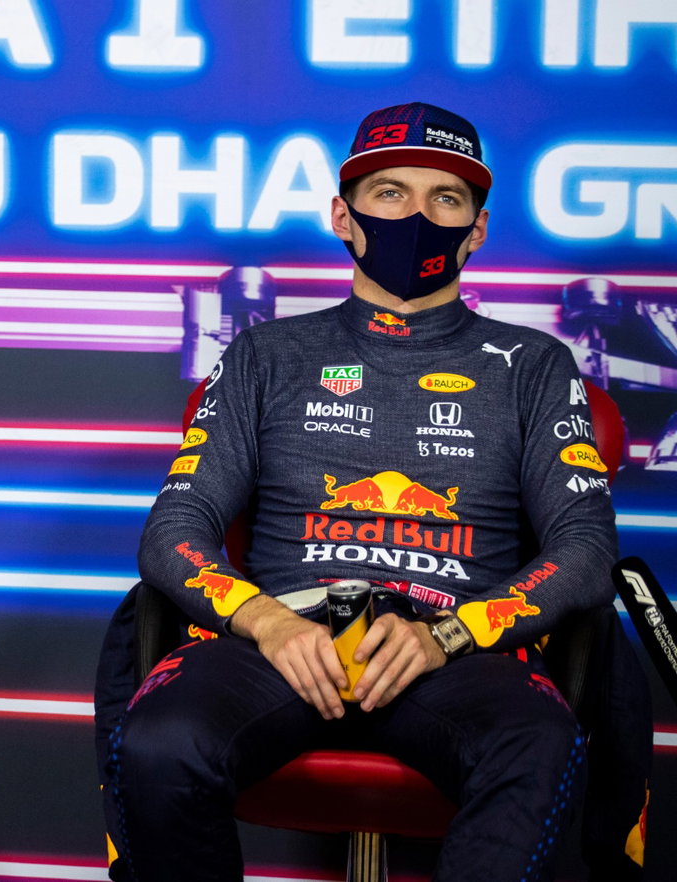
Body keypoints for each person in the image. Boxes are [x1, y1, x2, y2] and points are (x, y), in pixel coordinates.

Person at [95, 102, 649, 881]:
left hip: (459, 650)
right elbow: (174, 529)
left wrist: (446, 636)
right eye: (390, 192)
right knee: (160, 740)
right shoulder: (266, 355)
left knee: (540, 744)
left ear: (478, 229)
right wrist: (264, 622)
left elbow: (587, 554)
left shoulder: (535, 366)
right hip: (286, 640)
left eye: (446, 199)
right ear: (343, 216)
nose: (418, 214)